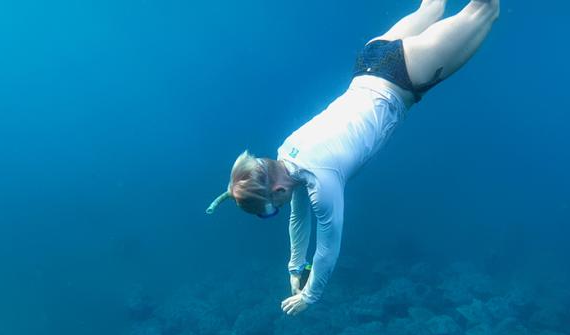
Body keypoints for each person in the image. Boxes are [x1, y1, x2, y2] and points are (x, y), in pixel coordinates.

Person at [206, 0, 500, 315]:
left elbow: (328, 247)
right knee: (432, 8)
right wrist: (295, 269)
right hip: (371, 60)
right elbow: (298, 218)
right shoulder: (285, 154)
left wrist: (310, 296)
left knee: (485, 10)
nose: (281, 208)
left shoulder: (320, 181)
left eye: (271, 210)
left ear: (277, 192)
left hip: (406, 75)